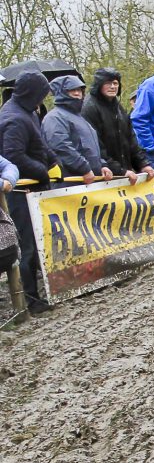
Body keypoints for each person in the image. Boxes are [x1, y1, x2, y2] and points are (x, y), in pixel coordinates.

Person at [0, 71, 59, 315]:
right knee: (27, 245)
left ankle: (40, 291)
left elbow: (39, 145)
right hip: (20, 190)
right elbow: (13, 156)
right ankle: (31, 300)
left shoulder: (27, 112)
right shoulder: (14, 118)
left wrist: (54, 163)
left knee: (38, 241)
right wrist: (44, 172)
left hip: (33, 187)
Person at [82, 68, 154, 186]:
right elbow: (95, 147)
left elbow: (130, 139)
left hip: (124, 173)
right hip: (104, 176)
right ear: (99, 85)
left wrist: (142, 164)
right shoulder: (89, 108)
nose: (112, 87)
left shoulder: (118, 107)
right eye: (108, 83)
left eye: (115, 83)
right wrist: (119, 171)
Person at [42, 75, 113, 186]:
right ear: (62, 92)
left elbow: (92, 148)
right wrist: (84, 169)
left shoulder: (80, 118)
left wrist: (103, 165)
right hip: (70, 184)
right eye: (72, 90)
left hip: (90, 182)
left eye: (79, 90)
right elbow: (61, 147)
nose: (77, 93)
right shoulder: (54, 118)